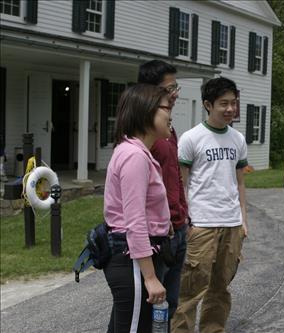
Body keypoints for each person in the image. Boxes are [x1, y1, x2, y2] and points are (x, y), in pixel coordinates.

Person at [171, 77, 248, 333]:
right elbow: (181, 187)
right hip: (201, 225)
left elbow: (240, 185)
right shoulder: (191, 138)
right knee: (190, 291)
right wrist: (186, 223)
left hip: (231, 224)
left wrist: (243, 222)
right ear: (208, 104)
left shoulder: (237, 139)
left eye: (233, 103)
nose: (230, 109)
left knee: (220, 289)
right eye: (223, 104)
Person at [103, 83, 173, 332]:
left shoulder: (135, 151)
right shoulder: (134, 156)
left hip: (135, 256)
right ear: (146, 111)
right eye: (166, 107)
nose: (170, 113)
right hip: (131, 259)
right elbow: (134, 221)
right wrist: (151, 278)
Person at [138, 60, 188, 323]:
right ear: (150, 91)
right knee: (149, 309)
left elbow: (175, 176)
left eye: (175, 87)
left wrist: (184, 214)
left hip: (178, 229)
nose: (176, 93)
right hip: (158, 234)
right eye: (170, 89)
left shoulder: (168, 128)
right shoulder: (142, 134)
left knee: (168, 305)